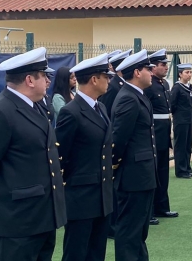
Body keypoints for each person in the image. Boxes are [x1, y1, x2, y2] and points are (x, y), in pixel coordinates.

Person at [0, 47, 68, 261]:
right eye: (44, 76)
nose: (48, 81)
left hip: (42, 215)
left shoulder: (38, 106)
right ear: (30, 80)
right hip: (16, 219)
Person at [55, 53, 116, 261]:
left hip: (102, 195)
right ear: (94, 79)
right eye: (105, 76)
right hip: (80, 198)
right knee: (76, 253)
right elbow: (60, 156)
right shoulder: (70, 112)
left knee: (96, 253)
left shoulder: (102, 107)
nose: (109, 80)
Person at [110, 49, 158, 261]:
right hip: (132, 176)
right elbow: (118, 139)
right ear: (137, 72)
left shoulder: (137, 96)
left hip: (142, 174)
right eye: (148, 68)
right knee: (129, 230)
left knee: (139, 230)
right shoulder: (128, 99)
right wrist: (116, 165)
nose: (152, 71)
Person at [98, 48, 132, 239]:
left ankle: (113, 223)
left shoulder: (117, 85)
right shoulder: (114, 87)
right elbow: (111, 115)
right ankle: (112, 225)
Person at [145, 48, 179, 223]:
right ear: (153, 67)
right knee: (153, 172)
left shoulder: (165, 84)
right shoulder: (148, 85)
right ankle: (149, 211)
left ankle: (162, 207)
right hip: (153, 132)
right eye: (162, 65)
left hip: (164, 132)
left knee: (164, 172)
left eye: (166, 64)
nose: (166, 67)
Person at [170, 63, 192, 179]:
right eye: (186, 72)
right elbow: (172, 104)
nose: (189, 75)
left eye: (190, 72)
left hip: (188, 120)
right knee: (180, 145)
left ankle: (187, 168)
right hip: (180, 121)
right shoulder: (177, 88)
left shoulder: (189, 87)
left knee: (187, 145)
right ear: (180, 74)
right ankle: (180, 170)